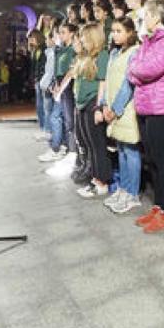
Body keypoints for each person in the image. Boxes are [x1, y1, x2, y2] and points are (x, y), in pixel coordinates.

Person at [129, 0, 164, 233]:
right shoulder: (149, 40)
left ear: (156, 17)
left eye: (146, 15)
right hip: (145, 106)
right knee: (151, 158)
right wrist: (136, 71)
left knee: (161, 160)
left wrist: (136, 70)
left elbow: (149, 69)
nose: (144, 20)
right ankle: (158, 205)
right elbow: (134, 68)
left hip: (161, 108)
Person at [101, 17, 143, 214]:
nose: (114, 34)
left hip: (126, 109)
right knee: (121, 150)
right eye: (113, 30)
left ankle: (132, 193)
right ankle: (124, 189)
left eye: (119, 31)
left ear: (130, 32)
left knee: (131, 151)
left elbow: (128, 84)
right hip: (112, 109)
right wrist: (104, 105)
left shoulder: (135, 52)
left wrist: (115, 109)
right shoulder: (114, 52)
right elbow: (109, 81)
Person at [70, 24, 111, 198]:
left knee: (97, 145)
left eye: (85, 37)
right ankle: (94, 179)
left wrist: (99, 107)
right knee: (88, 144)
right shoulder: (85, 56)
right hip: (81, 104)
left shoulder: (102, 55)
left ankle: (101, 182)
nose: (81, 40)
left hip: (92, 103)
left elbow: (103, 82)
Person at [40, 23, 78, 168]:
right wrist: (55, 84)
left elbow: (70, 71)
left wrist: (61, 86)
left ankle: (62, 148)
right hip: (59, 84)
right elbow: (57, 70)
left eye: (63, 32)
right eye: (59, 33)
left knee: (63, 118)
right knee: (59, 117)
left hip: (68, 86)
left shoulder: (72, 50)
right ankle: (61, 147)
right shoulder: (60, 50)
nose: (61, 35)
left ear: (72, 33)